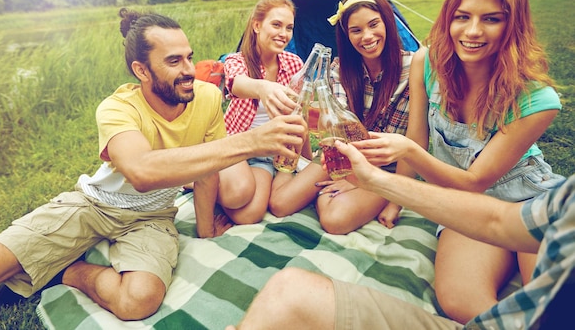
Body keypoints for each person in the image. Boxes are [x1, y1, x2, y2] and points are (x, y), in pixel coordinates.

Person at [0, 9, 307, 329]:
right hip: (94, 205)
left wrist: (205, 229)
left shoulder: (208, 98)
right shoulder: (116, 107)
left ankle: (61, 272)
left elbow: (206, 169)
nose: (188, 71)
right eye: (173, 61)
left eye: (189, 57)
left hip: (152, 216)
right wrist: (251, 142)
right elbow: (142, 171)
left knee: (138, 301)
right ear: (141, 70)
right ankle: (36, 264)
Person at [349, 0, 566, 323]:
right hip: (461, 203)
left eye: (491, 19)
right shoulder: (427, 63)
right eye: (463, 16)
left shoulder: (538, 99)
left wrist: (407, 153)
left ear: (513, 24)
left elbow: (475, 179)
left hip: (528, 197)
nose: (473, 31)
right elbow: (417, 136)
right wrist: (395, 200)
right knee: (459, 299)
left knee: (549, 296)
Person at [226, 140, 573, 330]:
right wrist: (378, 183)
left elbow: (477, 183)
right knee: (286, 290)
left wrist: (396, 167)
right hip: (486, 209)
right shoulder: (565, 206)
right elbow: (501, 222)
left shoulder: (411, 69)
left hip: (513, 186)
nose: (472, 32)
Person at [269, 0, 414, 234]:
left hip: (385, 168)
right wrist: (349, 178)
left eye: (373, 25)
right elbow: (338, 131)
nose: (367, 36)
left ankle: (325, 192)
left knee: (335, 220)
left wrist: (393, 201)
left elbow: (414, 139)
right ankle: (293, 166)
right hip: (342, 157)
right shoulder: (339, 69)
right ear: (346, 35)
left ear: (387, 23)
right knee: (279, 204)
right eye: (356, 30)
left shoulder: (413, 67)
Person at [219, 0, 308, 224]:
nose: (283, 34)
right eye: (276, 25)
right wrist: (264, 88)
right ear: (257, 25)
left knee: (251, 214)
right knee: (238, 196)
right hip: (239, 146)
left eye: (289, 28)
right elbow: (237, 85)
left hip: (268, 154)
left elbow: (299, 114)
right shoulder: (237, 61)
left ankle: (213, 183)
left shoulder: (294, 63)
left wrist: (305, 159)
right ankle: (202, 180)